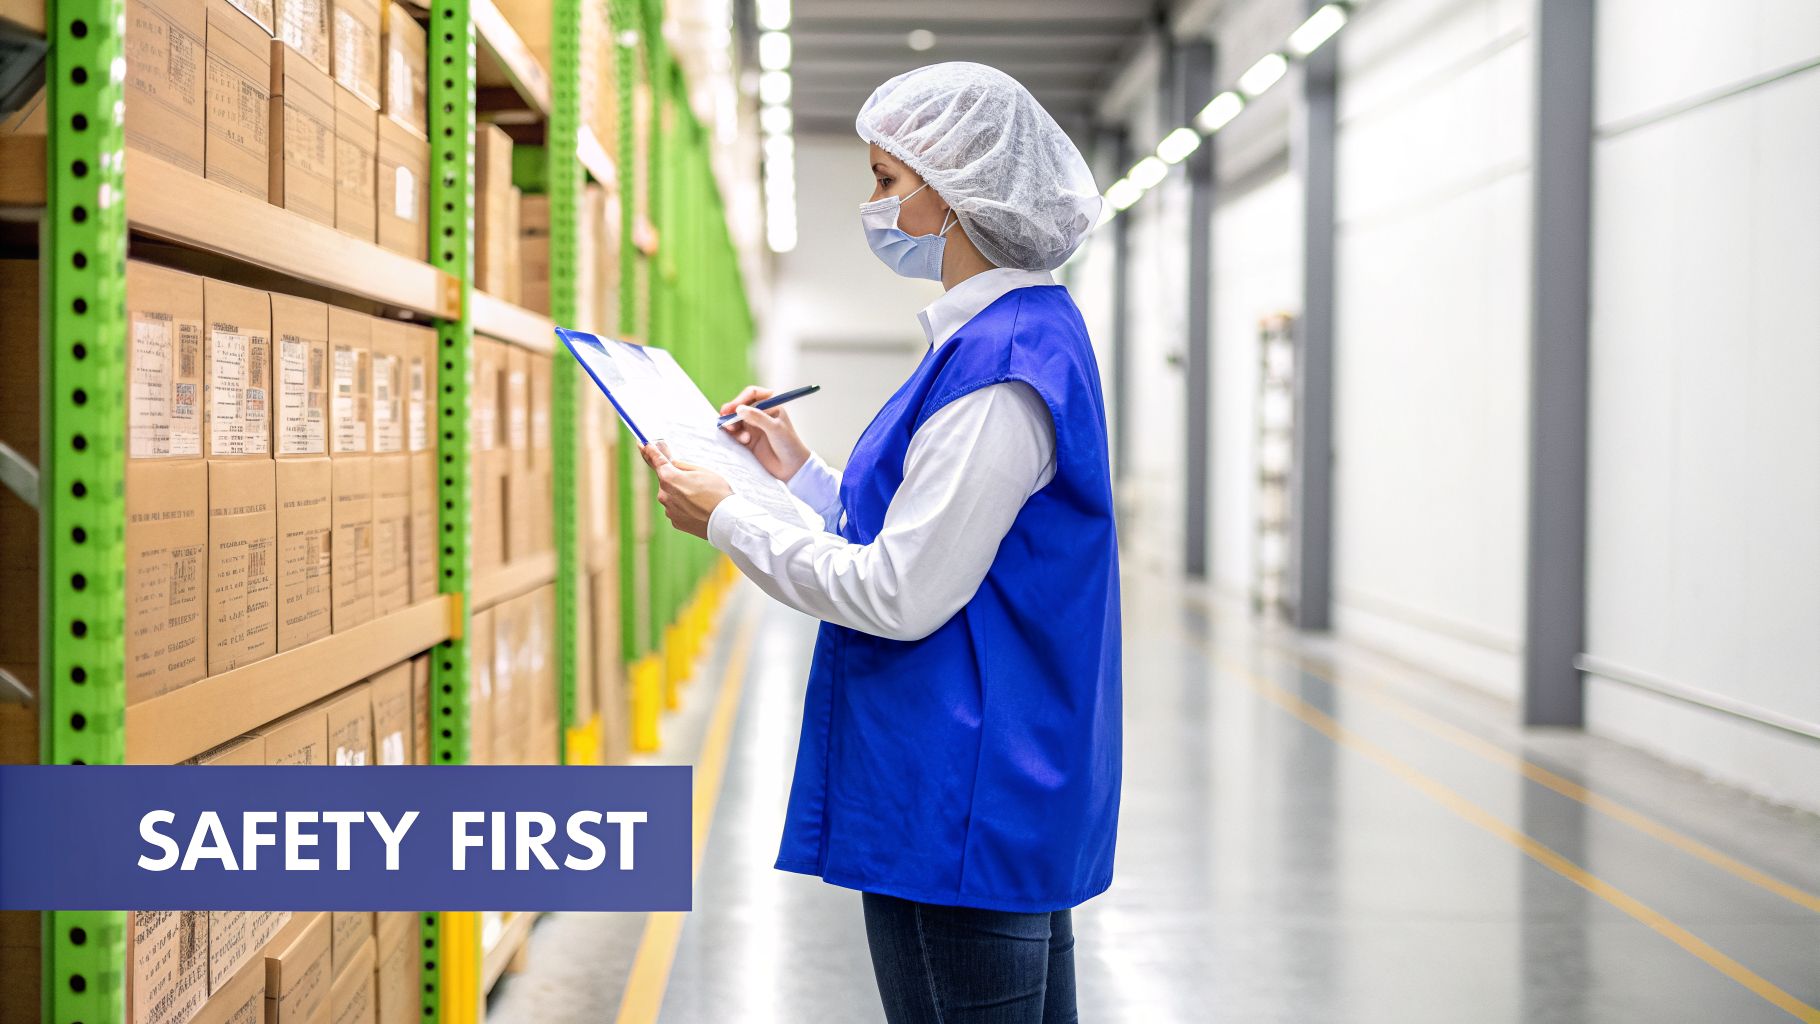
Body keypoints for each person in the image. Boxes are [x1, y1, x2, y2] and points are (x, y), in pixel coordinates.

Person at [640, 62, 1120, 1024]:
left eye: (886, 181)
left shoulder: (1001, 372)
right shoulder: (998, 339)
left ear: (953, 195)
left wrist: (726, 518)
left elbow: (900, 591)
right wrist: (793, 474)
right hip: (978, 783)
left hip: (963, 799)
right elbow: (927, 533)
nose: (873, 204)